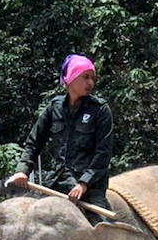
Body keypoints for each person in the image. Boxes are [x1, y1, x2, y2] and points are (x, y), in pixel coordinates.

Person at [8, 54, 114, 224]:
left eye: (93, 78)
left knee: (103, 230)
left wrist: (83, 184)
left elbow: (103, 153)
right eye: (85, 77)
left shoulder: (100, 110)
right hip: (57, 183)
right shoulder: (54, 108)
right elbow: (34, 142)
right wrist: (23, 170)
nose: (90, 83)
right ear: (70, 78)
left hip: (90, 190)